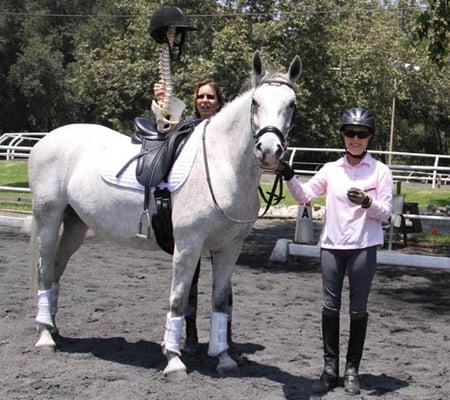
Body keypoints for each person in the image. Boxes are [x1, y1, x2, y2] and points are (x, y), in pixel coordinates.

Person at [279, 107, 393, 396]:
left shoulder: (380, 171)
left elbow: (387, 214)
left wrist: (368, 202)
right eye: (350, 133)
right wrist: (289, 174)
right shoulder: (331, 169)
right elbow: (304, 196)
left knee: (358, 309)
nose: (355, 139)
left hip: (363, 247)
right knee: (330, 307)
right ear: (342, 135)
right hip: (331, 246)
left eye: (362, 134)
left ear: (369, 138)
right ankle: (330, 369)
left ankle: (352, 369)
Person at [153, 79, 232, 354]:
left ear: (219, 102)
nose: (205, 100)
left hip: (223, 217)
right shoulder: (186, 128)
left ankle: (223, 335)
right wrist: (163, 102)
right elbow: (165, 126)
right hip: (194, 214)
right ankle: (191, 333)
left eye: (211, 96)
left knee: (223, 280)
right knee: (191, 276)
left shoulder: (227, 131)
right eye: (201, 96)